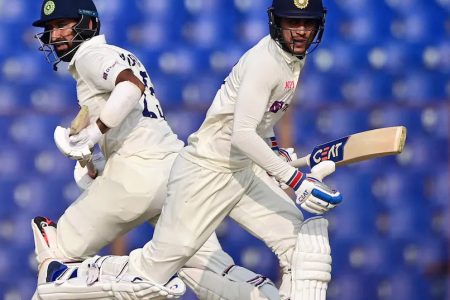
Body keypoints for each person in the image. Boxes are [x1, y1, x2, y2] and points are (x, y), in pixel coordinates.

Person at [31, 0, 281, 299]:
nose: (55, 36)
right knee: (207, 271)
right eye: (50, 29)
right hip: (175, 173)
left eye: (62, 26)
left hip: (136, 176)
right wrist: (92, 159)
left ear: (87, 23)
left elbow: (130, 87)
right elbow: (133, 118)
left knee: (56, 257)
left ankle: (128, 280)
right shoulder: (121, 53)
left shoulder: (90, 56)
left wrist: (93, 134)